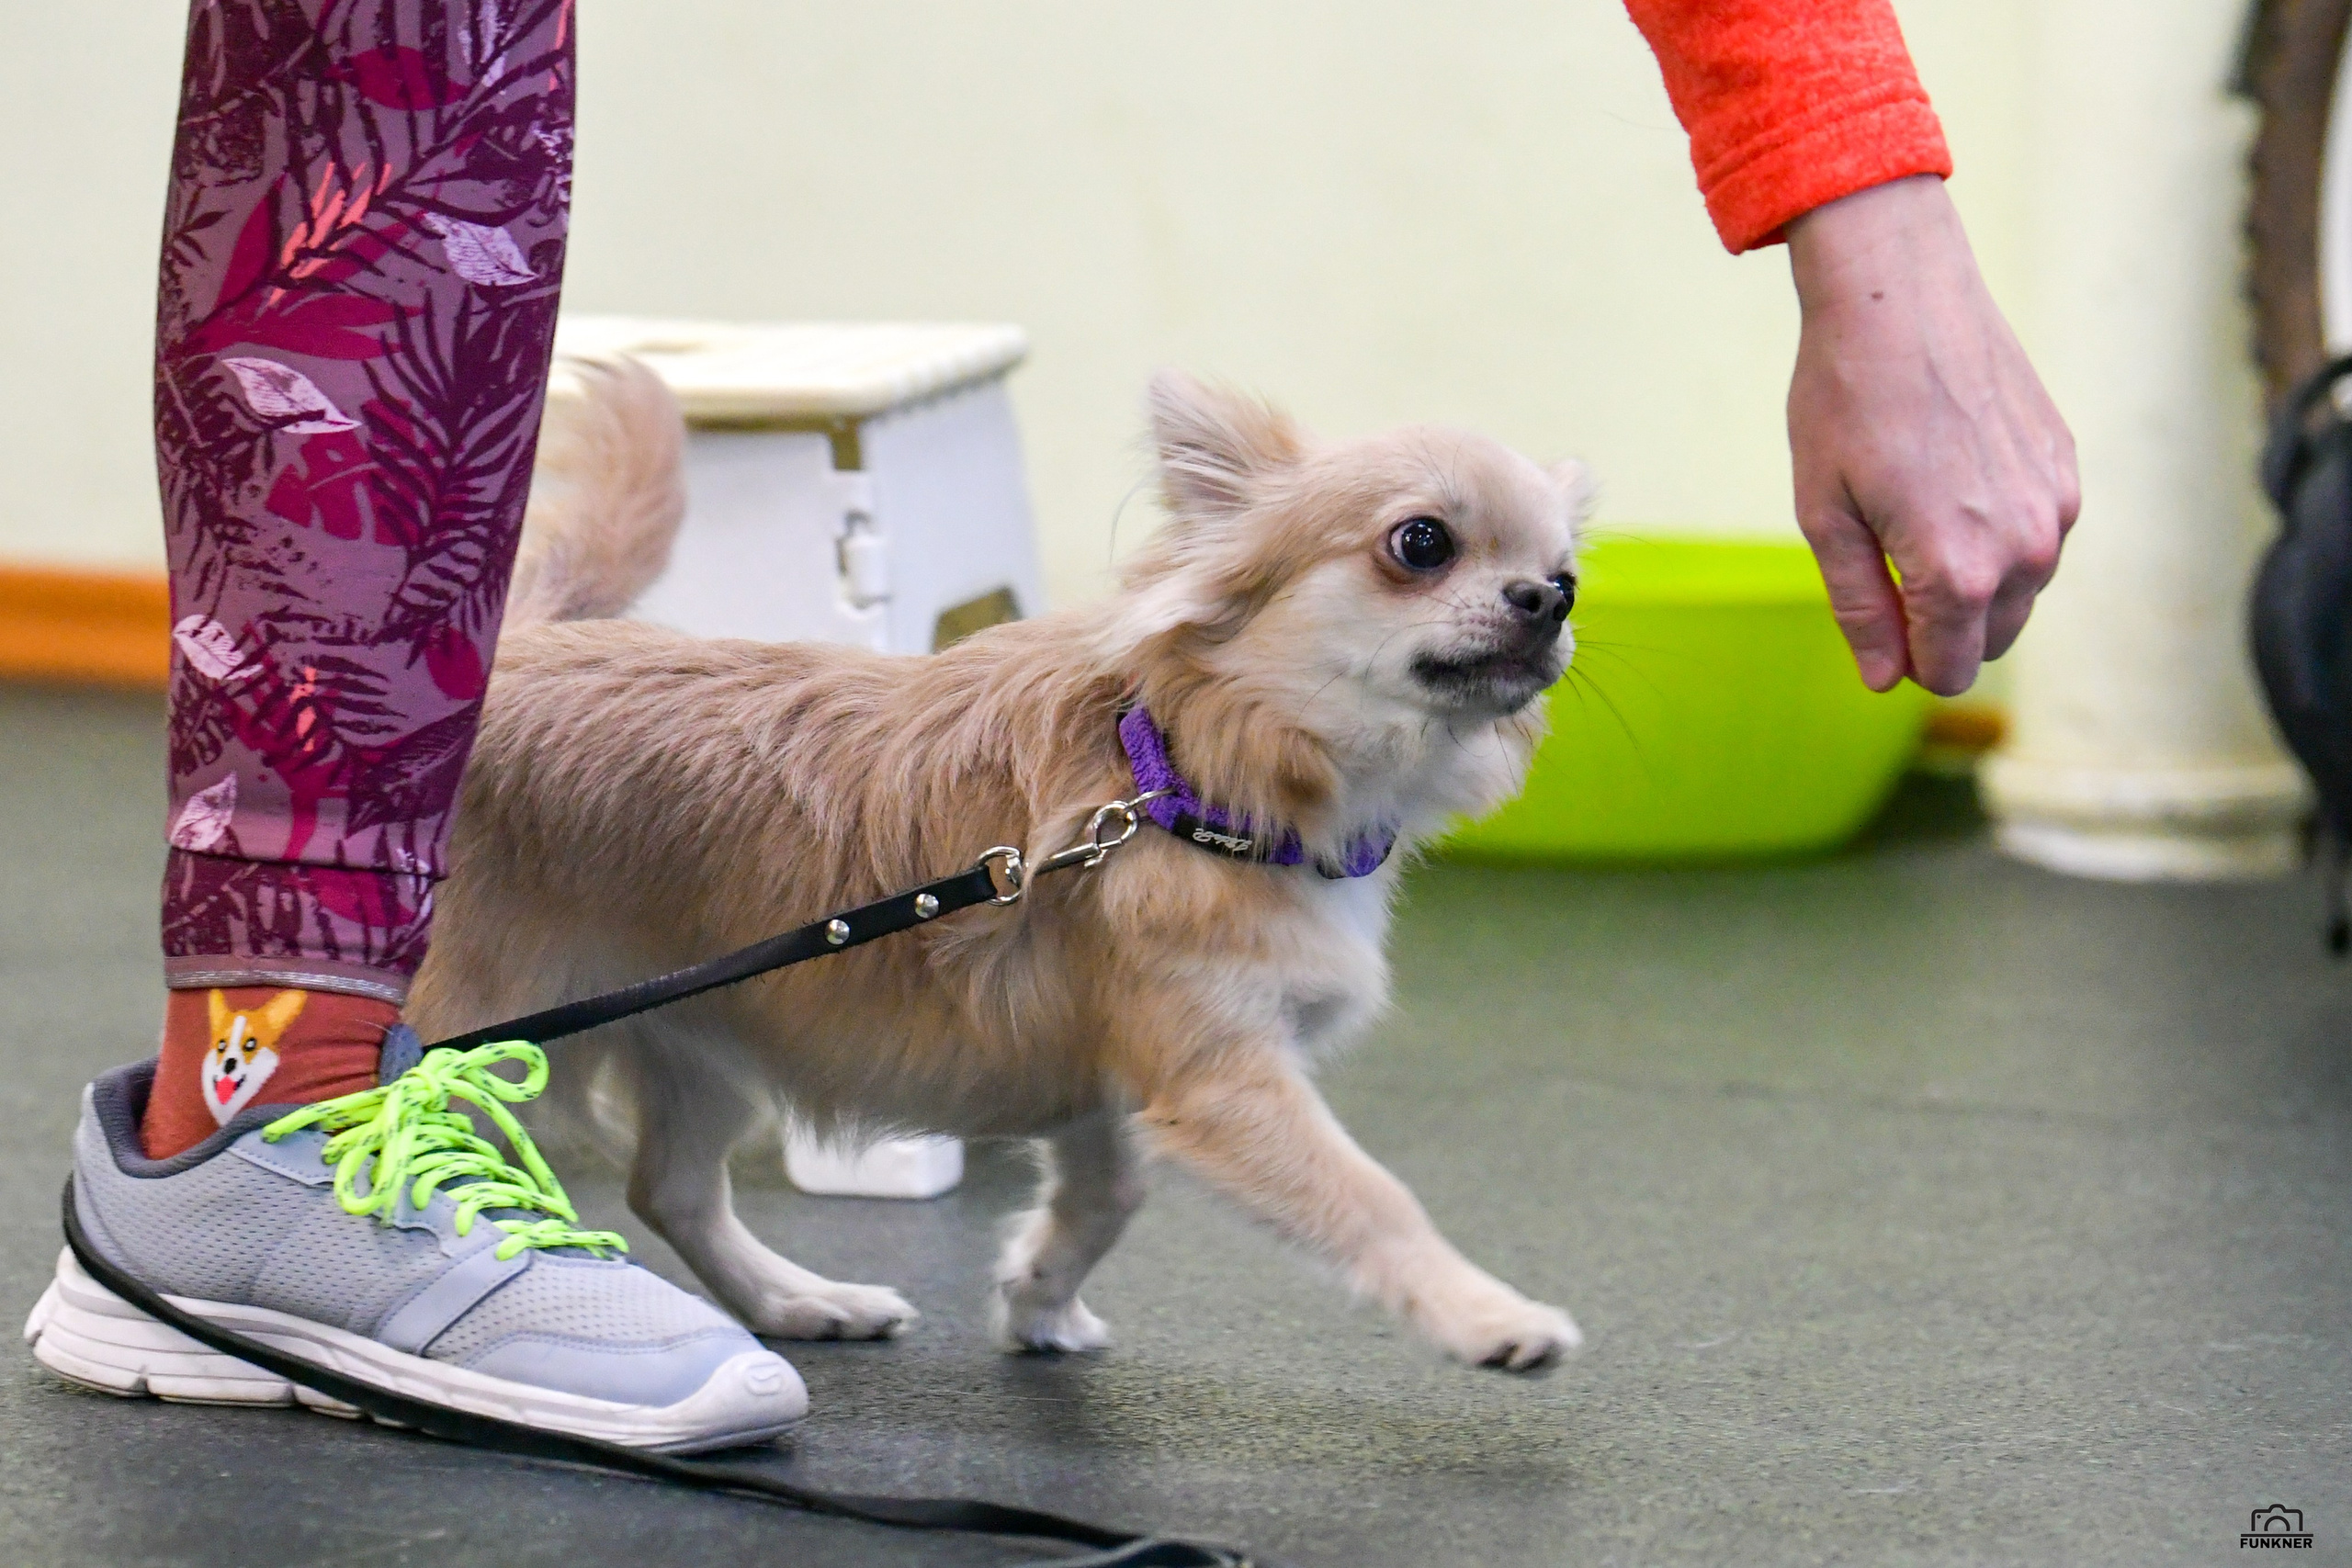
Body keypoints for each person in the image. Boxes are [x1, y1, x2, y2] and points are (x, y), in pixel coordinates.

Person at [33, 0, 2079, 1449]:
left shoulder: (1244, 816)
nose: (1519, 605)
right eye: (1422, 553)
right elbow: (1208, 1097)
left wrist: (1861, 212)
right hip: (553, 821)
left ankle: (432, 1168)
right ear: (1229, 578)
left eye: (1540, 577)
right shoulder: (1166, 775)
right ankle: (268, 1125)